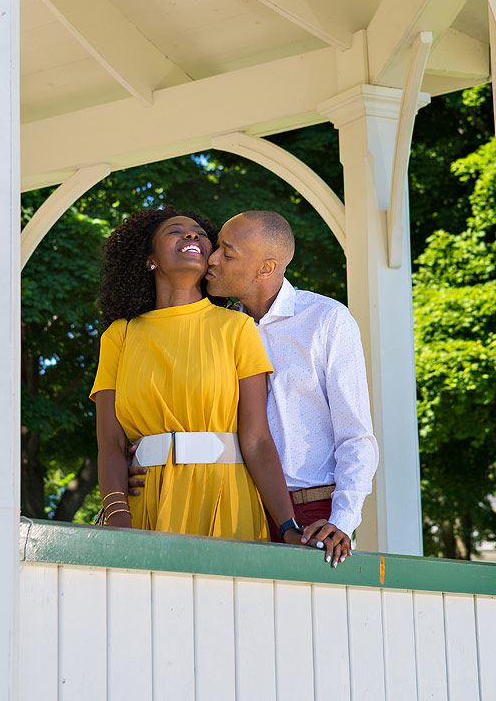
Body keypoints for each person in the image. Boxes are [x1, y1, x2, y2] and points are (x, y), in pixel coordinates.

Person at [91, 206, 306, 544]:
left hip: (227, 500)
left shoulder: (238, 328)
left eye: (200, 234)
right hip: (146, 502)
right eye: (176, 230)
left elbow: (257, 439)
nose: (192, 235)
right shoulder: (120, 336)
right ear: (150, 259)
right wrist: (118, 516)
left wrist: (288, 525)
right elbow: (110, 441)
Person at [204, 210, 378, 568]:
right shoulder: (216, 329)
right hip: (235, 506)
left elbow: (356, 435)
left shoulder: (327, 320)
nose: (213, 259)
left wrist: (342, 521)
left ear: (266, 268)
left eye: (228, 252)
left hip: (313, 516)